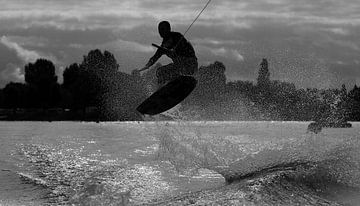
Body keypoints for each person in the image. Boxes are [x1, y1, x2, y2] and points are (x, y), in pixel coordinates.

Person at [138, 21, 198, 87]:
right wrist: (147, 65)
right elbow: (155, 57)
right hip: (180, 68)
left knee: (164, 71)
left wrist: (174, 51)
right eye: (159, 29)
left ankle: (175, 85)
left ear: (169, 29)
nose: (160, 31)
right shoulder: (163, 45)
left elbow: (185, 47)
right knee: (160, 72)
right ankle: (164, 89)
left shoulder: (177, 36)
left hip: (190, 65)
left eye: (163, 29)